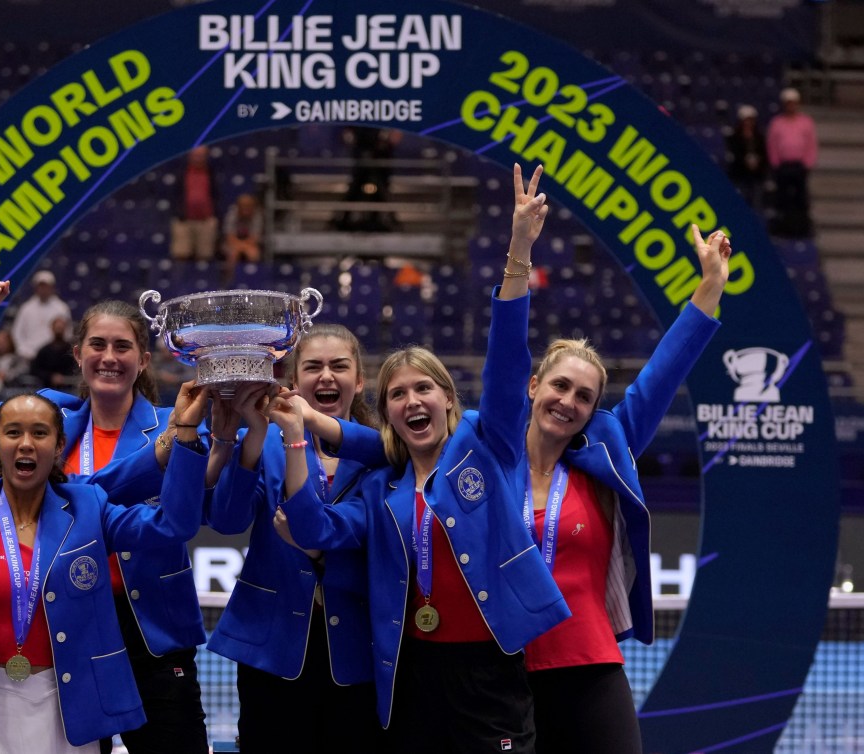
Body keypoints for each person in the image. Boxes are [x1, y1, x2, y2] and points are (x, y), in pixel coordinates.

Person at [278, 165, 569, 753]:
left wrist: (518, 250)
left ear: (448, 399)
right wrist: (293, 439)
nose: (412, 401)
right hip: (410, 673)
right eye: (397, 394)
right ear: (386, 413)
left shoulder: (488, 448)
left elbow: (508, 362)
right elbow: (315, 528)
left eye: (423, 389)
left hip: (489, 671)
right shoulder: (379, 490)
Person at [0, 281, 211, 754]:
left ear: (144, 360)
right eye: (97, 344)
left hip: (151, 628)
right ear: (77, 354)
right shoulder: (51, 423)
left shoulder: (178, 420)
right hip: (69, 622)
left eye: (122, 346)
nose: (109, 356)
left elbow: (181, 514)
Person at [522, 225, 731, 754]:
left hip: (590, 670)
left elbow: (662, 375)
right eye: (560, 385)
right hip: (504, 672)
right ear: (533, 387)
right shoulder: (485, 458)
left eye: (585, 396)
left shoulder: (604, 450)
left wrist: (710, 285)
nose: (569, 401)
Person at [206, 324, 386, 753]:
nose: (326, 376)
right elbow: (227, 521)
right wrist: (251, 434)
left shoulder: (382, 454)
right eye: (314, 367)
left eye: (339, 366)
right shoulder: (266, 442)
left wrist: (315, 549)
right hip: (272, 643)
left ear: (359, 381)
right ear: (294, 381)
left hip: (355, 647)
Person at [766, 87, 818, 237]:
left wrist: (807, 163)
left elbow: (811, 144)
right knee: (782, 199)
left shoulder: (806, 122)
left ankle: (802, 229)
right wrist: (776, 164)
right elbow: (772, 144)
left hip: (800, 166)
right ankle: (783, 228)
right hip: (783, 166)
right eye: (788, 103)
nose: (791, 106)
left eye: (793, 103)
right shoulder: (777, 123)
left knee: (800, 199)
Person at [170, 145, 220, 261]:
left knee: (205, 256)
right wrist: (178, 213)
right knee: (181, 254)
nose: (198, 158)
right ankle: (178, 279)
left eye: (201, 155)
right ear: (190, 156)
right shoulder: (182, 173)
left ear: (206, 156)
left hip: (206, 220)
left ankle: (204, 279)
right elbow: (175, 194)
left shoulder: (212, 173)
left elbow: (216, 195)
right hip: (184, 220)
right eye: (196, 155)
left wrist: (214, 214)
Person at [11, 270, 72, 360]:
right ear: (36, 288)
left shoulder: (61, 308)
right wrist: (23, 350)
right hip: (28, 355)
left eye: (46, 286)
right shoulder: (26, 308)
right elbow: (17, 333)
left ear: (52, 287)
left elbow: (67, 332)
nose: (43, 290)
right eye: (40, 286)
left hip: (54, 357)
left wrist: (58, 352)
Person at [726, 104, 769, 213]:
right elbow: (734, 154)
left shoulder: (759, 137)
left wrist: (757, 162)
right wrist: (745, 161)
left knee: (756, 204)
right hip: (741, 175)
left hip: (756, 176)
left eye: (751, 120)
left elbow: (764, 154)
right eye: (746, 120)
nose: (748, 123)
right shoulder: (734, 137)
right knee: (741, 204)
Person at [31, 315, 78, 390]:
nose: (59, 330)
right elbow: (35, 370)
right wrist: (50, 377)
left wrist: (64, 378)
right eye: (57, 328)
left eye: (61, 328)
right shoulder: (44, 350)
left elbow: (75, 367)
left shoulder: (71, 350)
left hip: (69, 387)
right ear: (52, 328)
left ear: (65, 329)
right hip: (46, 387)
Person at [222, 192, 263, 275]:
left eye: (248, 206)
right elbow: (229, 237)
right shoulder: (232, 214)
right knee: (233, 254)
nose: (246, 208)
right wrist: (241, 247)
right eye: (243, 206)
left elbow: (254, 238)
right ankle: (230, 280)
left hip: (249, 244)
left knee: (253, 254)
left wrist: (242, 247)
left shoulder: (257, 216)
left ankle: (251, 279)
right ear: (238, 206)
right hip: (232, 244)